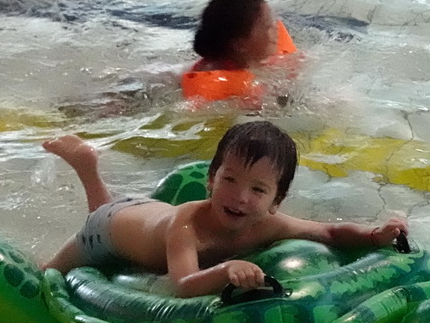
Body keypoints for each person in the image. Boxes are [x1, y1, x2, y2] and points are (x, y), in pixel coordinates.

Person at [41, 121, 408, 298]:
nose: (240, 197)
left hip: (145, 214)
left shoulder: (268, 224)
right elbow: (183, 285)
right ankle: (86, 167)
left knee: (113, 210)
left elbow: (329, 232)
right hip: (108, 227)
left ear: (275, 201)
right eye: (229, 180)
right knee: (47, 274)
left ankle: (87, 167)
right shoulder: (187, 226)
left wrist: (375, 234)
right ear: (211, 180)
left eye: (258, 189)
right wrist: (227, 269)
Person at [181, 0, 299, 104]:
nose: (276, 28)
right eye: (267, 25)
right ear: (240, 45)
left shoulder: (249, 61)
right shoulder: (229, 92)